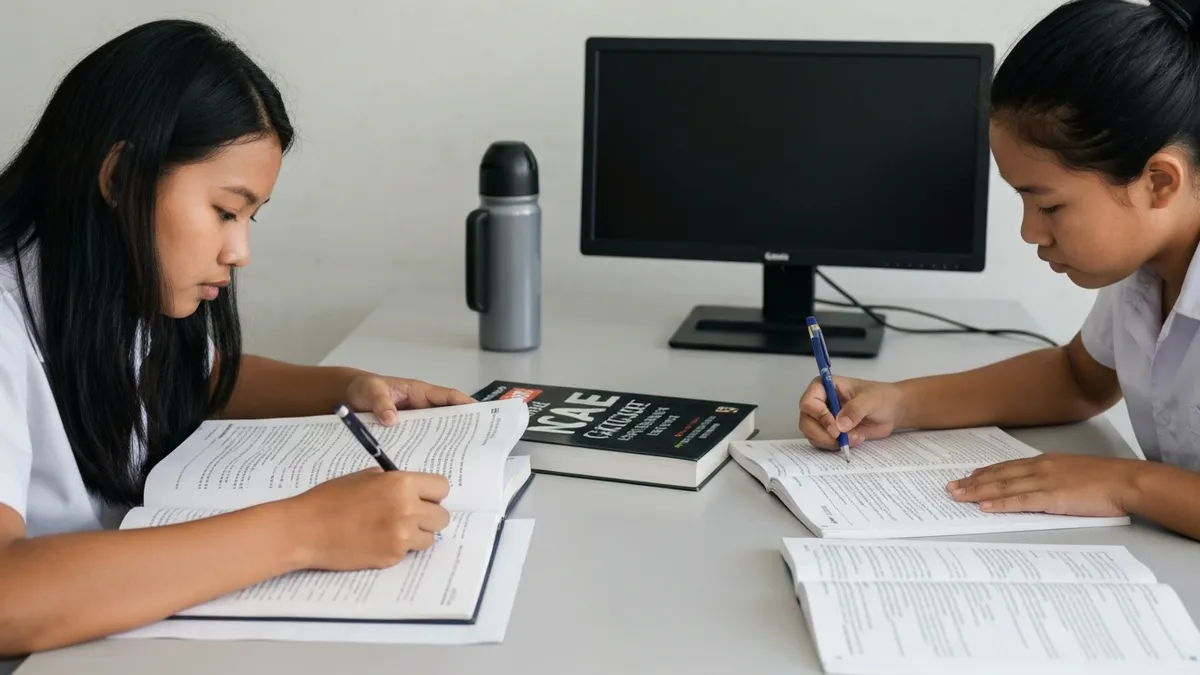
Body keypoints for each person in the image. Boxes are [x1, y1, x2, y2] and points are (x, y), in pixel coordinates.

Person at [0, 19, 475, 655]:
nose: (240, 250)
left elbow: (194, 374)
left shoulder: (99, 278)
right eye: (226, 211)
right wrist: (306, 530)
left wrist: (347, 388)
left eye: (251, 218)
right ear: (119, 176)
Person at [799, 0, 1200, 541]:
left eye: (1050, 206)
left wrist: (1127, 483)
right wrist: (900, 401)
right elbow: (1078, 379)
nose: (1030, 233)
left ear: (1158, 183)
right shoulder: (1145, 270)